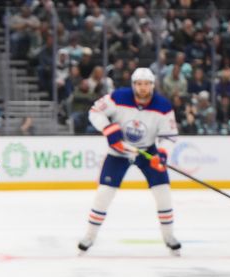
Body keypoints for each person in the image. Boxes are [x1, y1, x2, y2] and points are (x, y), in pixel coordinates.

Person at [77, 67, 181, 255]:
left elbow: (169, 135)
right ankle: (90, 236)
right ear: (134, 85)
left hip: (148, 152)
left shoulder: (163, 106)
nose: (143, 88)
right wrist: (109, 130)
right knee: (103, 194)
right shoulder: (118, 97)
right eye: (139, 84)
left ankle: (169, 237)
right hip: (119, 151)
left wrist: (162, 155)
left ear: (152, 85)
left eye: (147, 84)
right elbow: (94, 112)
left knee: (163, 192)